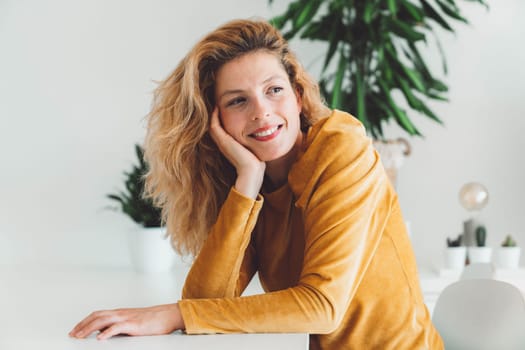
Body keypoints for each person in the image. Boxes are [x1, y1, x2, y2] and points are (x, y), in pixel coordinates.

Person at [69, 19, 444, 349]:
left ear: (297, 96)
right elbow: (206, 299)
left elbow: (322, 307)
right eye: (237, 101)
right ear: (215, 122)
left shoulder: (341, 148)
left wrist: (174, 315)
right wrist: (248, 181)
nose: (261, 111)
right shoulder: (249, 182)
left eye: (274, 90)